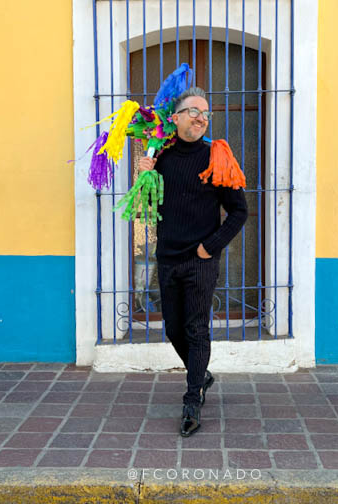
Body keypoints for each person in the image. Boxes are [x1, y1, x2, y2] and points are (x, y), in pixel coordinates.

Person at [138, 87, 248, 436]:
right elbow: (149, 208)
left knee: (197, 329)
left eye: (205, 113)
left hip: (200, 261)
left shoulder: (216, 156)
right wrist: (145, 175)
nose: (201, 117)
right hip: (168, 258)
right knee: (173, 328)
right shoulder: (162, 156)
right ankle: (201, 375)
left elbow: (239, 211)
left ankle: (192, 400)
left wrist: (209, 247)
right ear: (175, 117)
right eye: (194, 111)